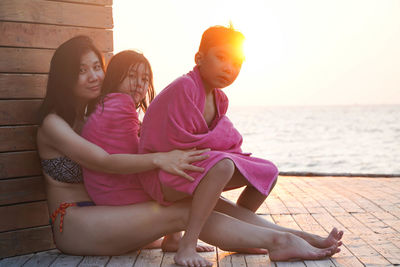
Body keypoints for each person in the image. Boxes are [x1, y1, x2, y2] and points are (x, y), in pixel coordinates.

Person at [37, 35, 342, 267]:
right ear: (65, 77)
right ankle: (277, 241)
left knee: (207, 200)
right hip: (75, 222)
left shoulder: (101, 113)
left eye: (96, 67)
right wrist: (161, 158)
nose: (93, 76)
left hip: (114, 214)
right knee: (184, 211)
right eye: (81, 70)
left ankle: (300, 237)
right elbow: (102, 162)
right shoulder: (53, 125)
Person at [138, 25, 279, 266]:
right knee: (222, 166)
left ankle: (237, 235)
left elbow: (211, 143)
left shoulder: (220, 98)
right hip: (160, 176)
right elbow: (173, 142)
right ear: (199, 58)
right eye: (221, 57)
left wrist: (217, 149)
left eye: (237, 63)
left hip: (187, 170)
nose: (229, 68)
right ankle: (186, 244)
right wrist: (215, 151)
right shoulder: (186, 87)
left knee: (267, 172)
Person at [81, 49, 213, 252]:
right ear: (115, 77)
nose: (140, 84)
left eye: (145, 79)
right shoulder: (121, 104)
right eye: (132, 76)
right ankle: (181, 240)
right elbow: (136, 155)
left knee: (189, 181)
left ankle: (175, 239)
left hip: (107, 192)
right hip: (118, 195)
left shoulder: (106, 104)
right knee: (190, 184)